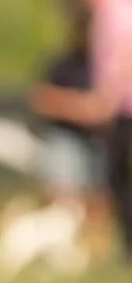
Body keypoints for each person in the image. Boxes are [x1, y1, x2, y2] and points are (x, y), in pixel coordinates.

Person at [31, 0, 132, 265]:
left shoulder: (117, 15)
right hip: (101, 121)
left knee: (118, 181)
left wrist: (106, 102)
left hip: (121, 111)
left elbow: (126, 58)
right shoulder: (106, 18)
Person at [31, 4, 101, 207]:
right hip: (67, 139)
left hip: (102, 140)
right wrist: (78, 107)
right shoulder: (63, 65)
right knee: (64, 155)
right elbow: (41, 98)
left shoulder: (106, 65)